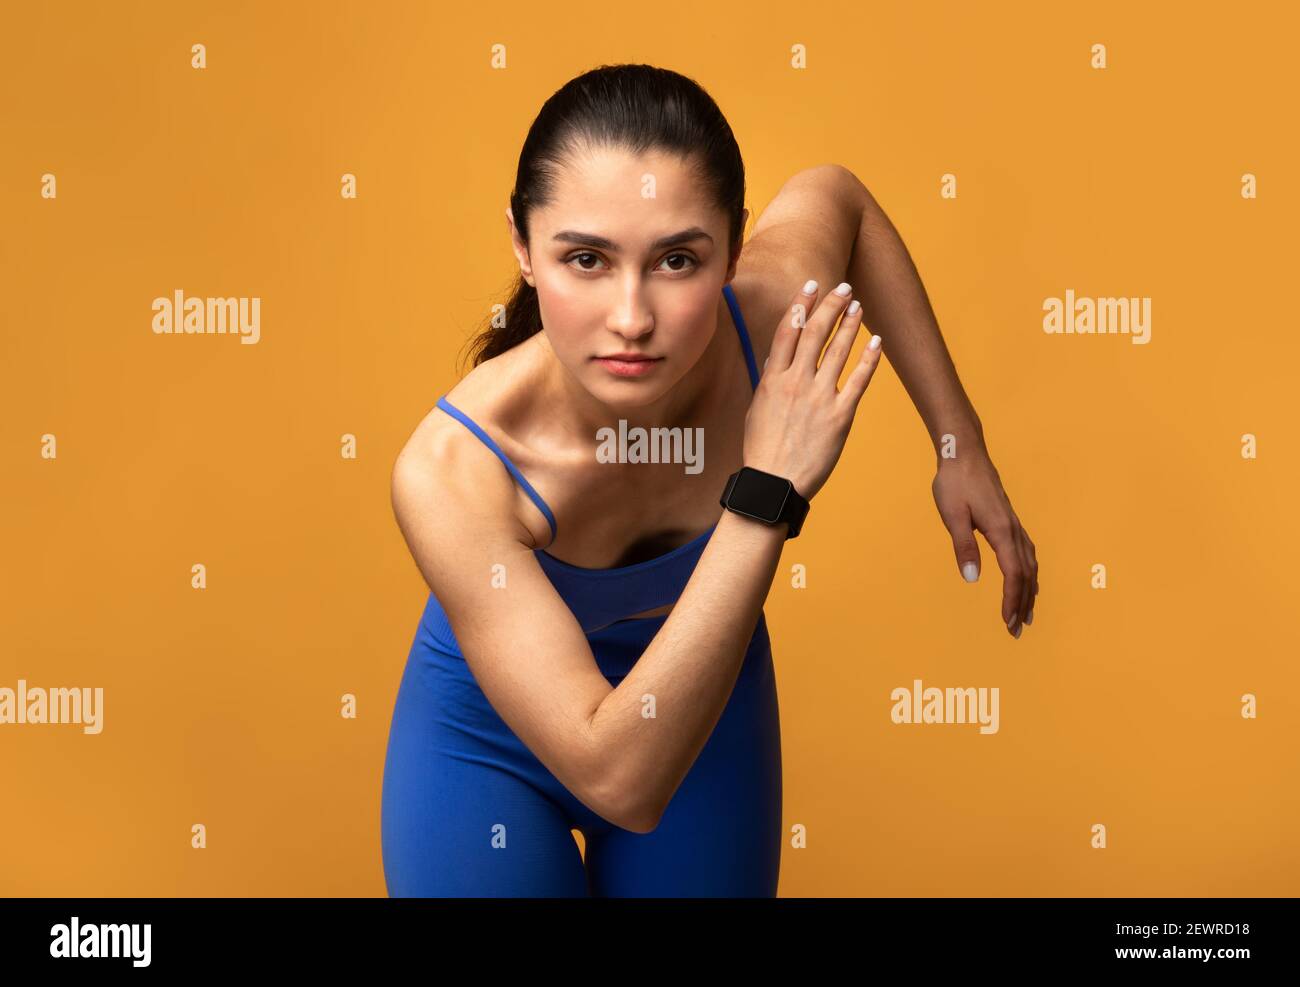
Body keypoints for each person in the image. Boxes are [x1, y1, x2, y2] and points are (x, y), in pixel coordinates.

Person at [381, 63, 1037, 897]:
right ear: (522, 244)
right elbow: (618, 776)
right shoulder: (455, 468)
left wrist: (959, 442)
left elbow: (843, 201)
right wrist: (767, 491)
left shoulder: (770, 318)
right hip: (487, 742)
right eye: (585, 258)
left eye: (677, 260)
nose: (631, 317)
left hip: (705, 705)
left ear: (732, 244)